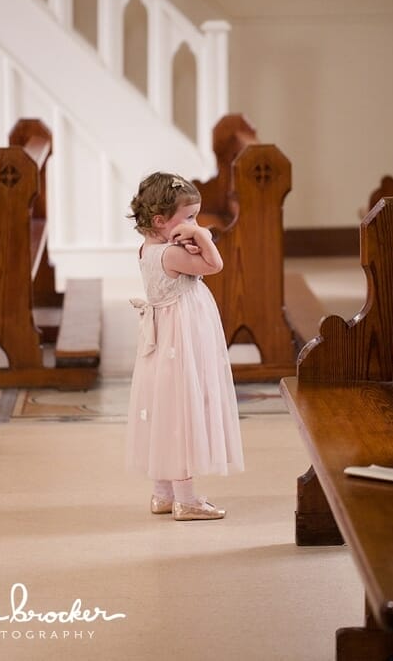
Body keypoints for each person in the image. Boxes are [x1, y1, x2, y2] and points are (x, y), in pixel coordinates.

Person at [126, 172, 245, 522]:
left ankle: (163, 494)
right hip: (182, 338)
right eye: (190, 217)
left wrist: (192, 240)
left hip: (169, 336)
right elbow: (215, 265)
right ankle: (187, 499)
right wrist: (204, 237)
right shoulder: (170, 255)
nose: (195, 224)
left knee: (167, 408)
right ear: (160, 221)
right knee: (182, 410)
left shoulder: (151, 249)